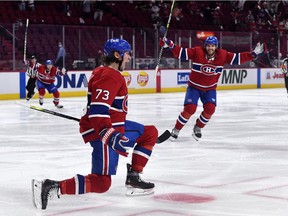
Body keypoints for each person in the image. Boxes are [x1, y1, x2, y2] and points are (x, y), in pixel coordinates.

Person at [32, 38, 158, 210]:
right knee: (102, 183)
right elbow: (98, 110)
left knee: (149, 133)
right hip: (105, 132)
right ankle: (51, 187)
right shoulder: (111, 76)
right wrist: (109, 135)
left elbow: (97, 107)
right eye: (127, 53)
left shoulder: (101, 71)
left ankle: (133, 178)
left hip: (110, 126)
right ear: (117, 55)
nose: (129, 57)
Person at [159, 36, 265, 141]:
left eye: (213, 46)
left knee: (210, 109)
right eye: (208, 46)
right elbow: (182, 53)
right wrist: (170, 44)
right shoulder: (197, 51)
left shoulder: (223, 55)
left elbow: (237, 58)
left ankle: (198, 127)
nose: (210, 48)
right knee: (190, 109)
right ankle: (176, 130)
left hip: (210, 89)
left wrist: (253, 54)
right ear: (205, 46)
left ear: (216, 47)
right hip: (194, 87)